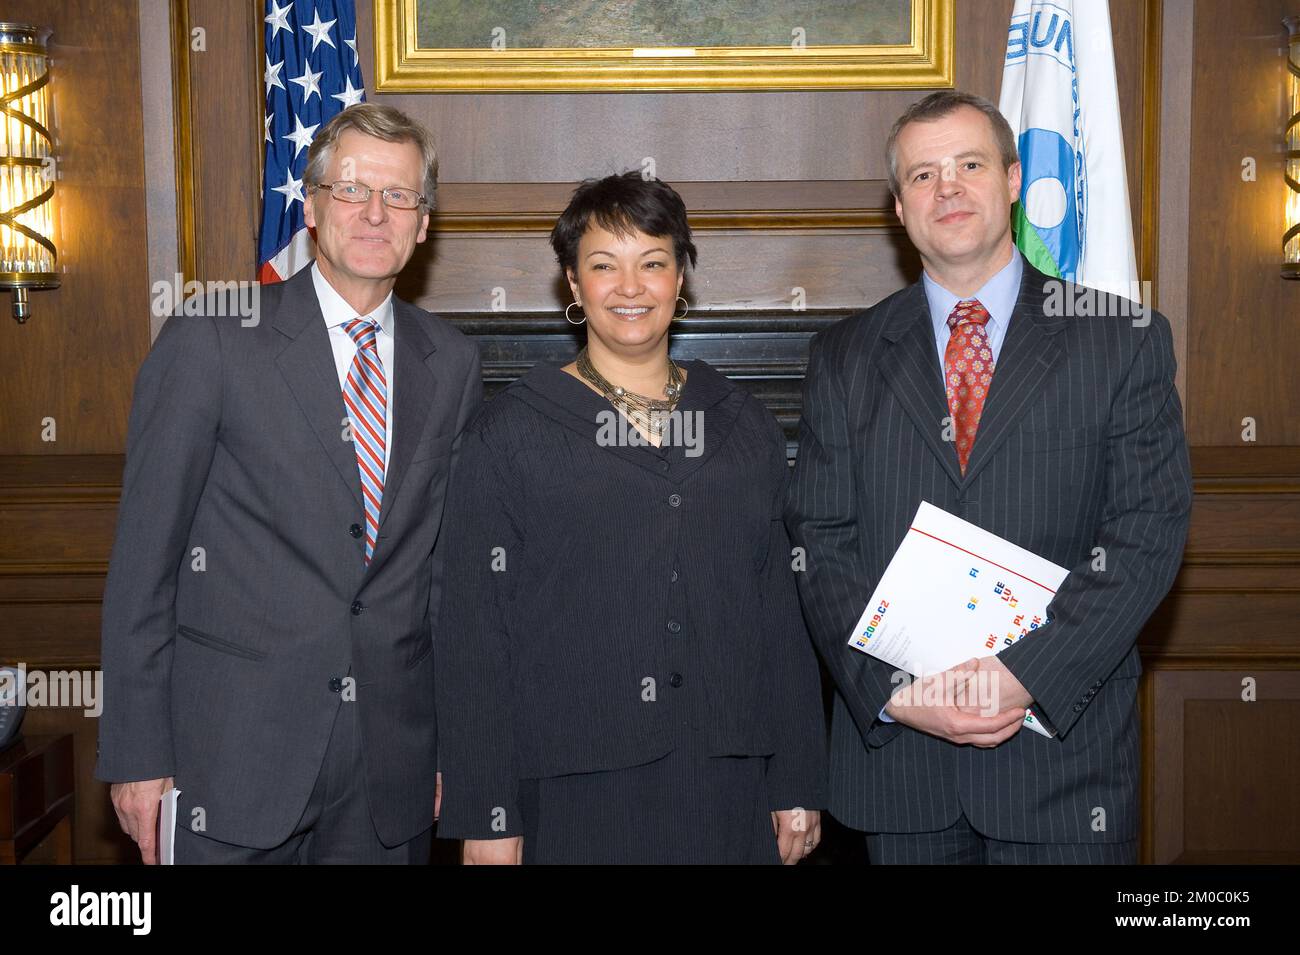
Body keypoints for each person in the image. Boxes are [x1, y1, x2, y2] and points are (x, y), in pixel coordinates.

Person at [786, 90, 1192, 864]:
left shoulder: (1122, 338)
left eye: (969, 165)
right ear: (899, 209)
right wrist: (899, 694)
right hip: (902, 772)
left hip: (1063, 771)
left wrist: (1022, 677)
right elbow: (819, 542)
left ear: (1012, 180)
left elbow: (1145, 535)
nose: (948, 189)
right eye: (922, 175)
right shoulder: (843, 355)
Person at [96, 104, 483, 864]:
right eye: (351, 189)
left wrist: (451, 749)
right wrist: (137, 752)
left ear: (424, 222)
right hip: (229, 760)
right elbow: (145, 563)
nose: (376, 212)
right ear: (309, 207)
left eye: (399, 196)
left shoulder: (453, 364)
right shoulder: (212, 337)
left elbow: (444, 579)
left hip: (388, 774)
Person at [434, 171, 826, 864]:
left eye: (652, 262)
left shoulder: (743, 424)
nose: (630, 286)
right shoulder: (510, 430)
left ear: (681, 278)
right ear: (573, 285)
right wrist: (486, 811)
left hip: (726, 783)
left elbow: (780, 614)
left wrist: (797, 779)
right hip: (568, 789)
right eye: (603, 265)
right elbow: (473, 633)